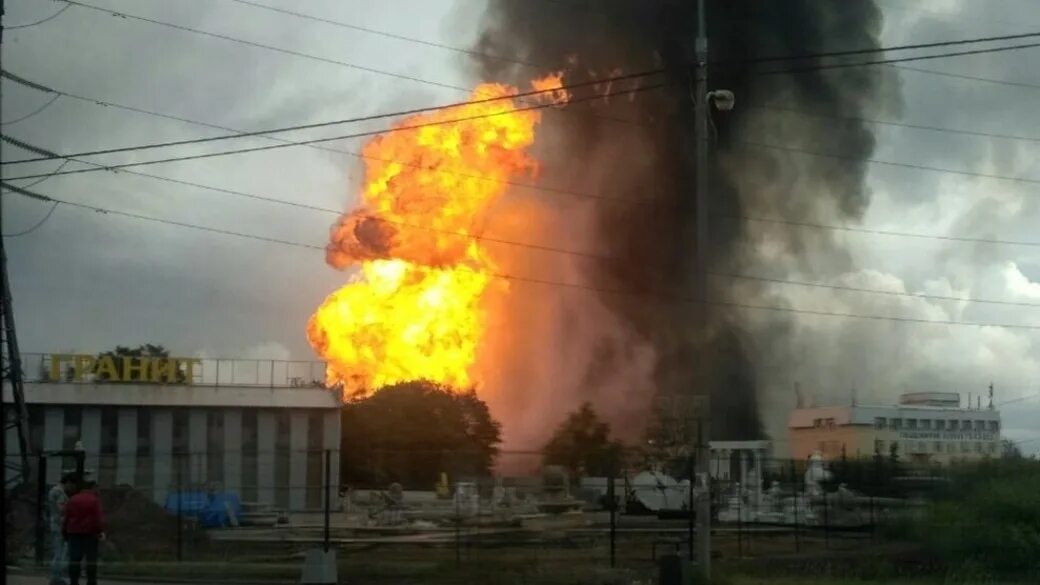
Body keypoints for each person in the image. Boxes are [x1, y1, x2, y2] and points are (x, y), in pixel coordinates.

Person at [63, 480, 105, 585]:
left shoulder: (73, 499)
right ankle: (91, 582)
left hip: (74, 532)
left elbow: (66, 516)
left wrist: (65, 531)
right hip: (90, 533)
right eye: (97, 488)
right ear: (93, 488)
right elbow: (98, 518)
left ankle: (74, 581)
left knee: (75, 558)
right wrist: (100, 531)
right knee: (91, 559)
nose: (98, 491)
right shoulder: (94, 500)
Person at [48, 474, 77, 585]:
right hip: (60, 525)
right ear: (68, 483)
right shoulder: (59, 492)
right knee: (60, 553)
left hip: (56, 524)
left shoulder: (54, 491)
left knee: (59, 552)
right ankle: (56, 577)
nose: (72, 489)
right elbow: (62, 509)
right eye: (72, 486)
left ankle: (56, 577)